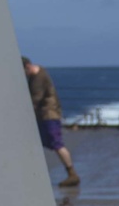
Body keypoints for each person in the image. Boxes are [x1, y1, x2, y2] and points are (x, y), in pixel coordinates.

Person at [22, 57, 80, 187]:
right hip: (45, 114)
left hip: (49, 114)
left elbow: (36, 99)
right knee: (44, 143)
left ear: (27, 67)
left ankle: (72, 174)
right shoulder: (36, 75)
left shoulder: (38, 77)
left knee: (57, 144)